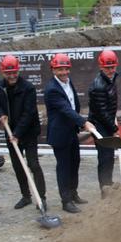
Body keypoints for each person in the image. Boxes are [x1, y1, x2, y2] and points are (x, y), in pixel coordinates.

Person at [0, 54, 46, 209]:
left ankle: (41, 198)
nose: (12, 76)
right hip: (10, 134)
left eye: (14, 72)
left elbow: (29, 113)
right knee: (18, 165)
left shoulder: (28, 87)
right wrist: (1, 113)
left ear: (18, 70)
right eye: (8, 73)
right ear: (3, 72)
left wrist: (17, 133)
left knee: (33, 164)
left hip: (28, 132)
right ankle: (26, 196)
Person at [44, 53, 95, 213]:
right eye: (60, 69)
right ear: (53, 69)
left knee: (75, 164)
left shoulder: (68, 82)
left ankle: (74, 194)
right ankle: (66, 201)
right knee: (64, 167)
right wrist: (83, 122)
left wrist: (77, 125)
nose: (64, 72)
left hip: (71, 132)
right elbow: (66, 109)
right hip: (60, 135)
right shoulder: (52, 89)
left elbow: (74, 104)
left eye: (66, 69)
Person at [88, 50, 120, 196]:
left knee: (109, 156)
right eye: (107, 67)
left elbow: (108, 107)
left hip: (106, 124)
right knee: (105, 158)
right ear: (101, 67)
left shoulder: (110, 80)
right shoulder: (99, 85)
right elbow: (101, 112)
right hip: (100, 127)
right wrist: (114, 128)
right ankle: (104, 189)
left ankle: (109, 183)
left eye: (113, 67)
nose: (110, 70)